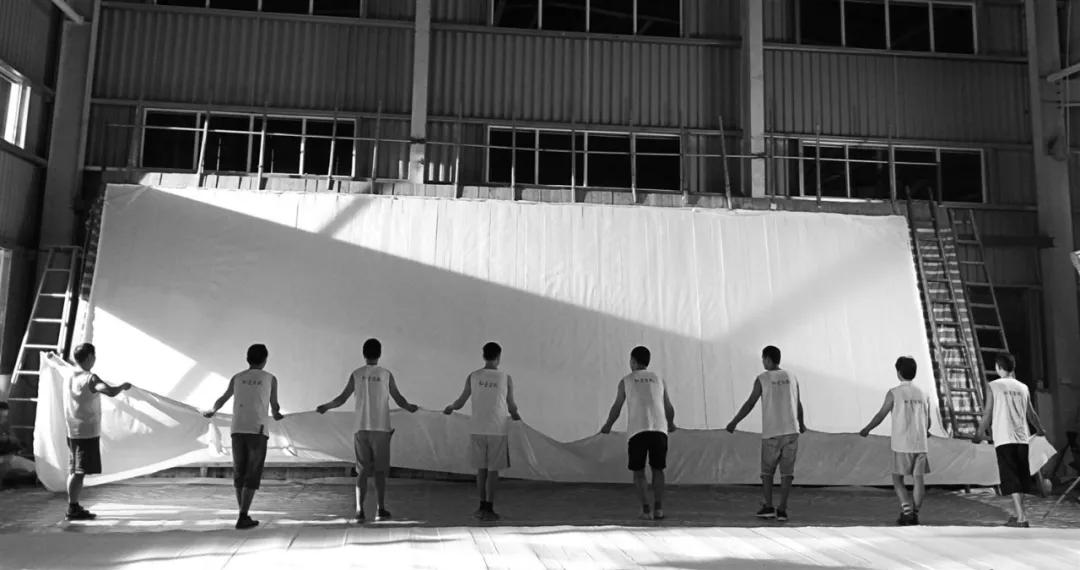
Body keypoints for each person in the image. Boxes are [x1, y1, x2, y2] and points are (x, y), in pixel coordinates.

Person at [316, 338, 419, 523]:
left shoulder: (356, 374)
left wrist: (325, 407)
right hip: (381, 428)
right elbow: (399, 400)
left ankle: (359, 511)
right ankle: (380, 509)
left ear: (364, 354)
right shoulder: (386, 374)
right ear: (380, 354)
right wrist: (411, 408)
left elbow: (341, 399)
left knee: (362, 471)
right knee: (380, 471)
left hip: (361, 428)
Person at [46, 345, 132, 521]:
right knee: (79, 472)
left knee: (75, 469)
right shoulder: (90, 378)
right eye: (94, 356)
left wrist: (52, 358)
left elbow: (58, 364)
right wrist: (122, 386)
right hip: (86, 432)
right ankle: (72, 508)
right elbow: (109, 391)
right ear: (89, 357)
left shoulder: (69, 372)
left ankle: (73, 506)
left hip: (73, 430)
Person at [204, 344, 284, 530]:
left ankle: (243, 513)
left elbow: (223, 398)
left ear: (247, 359)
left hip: (237, 428)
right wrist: (277, 414)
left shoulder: (237, 378)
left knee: (240, 472)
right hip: (257, 429)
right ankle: (242, 515)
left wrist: (213, 410)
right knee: (252, 472)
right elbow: (274, 406)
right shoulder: (270, 378)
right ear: (265, 360)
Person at [725, 345, 806, 522]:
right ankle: (782, 509)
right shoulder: (792, 377)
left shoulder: (763, 378)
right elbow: (798, 403)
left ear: (768, 359)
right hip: (792, 432)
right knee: (787, 473)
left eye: (763, 359)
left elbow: (750, 403)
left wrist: (734, 422)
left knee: (767, 472)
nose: (763, 362)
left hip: (772, 433)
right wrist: (801, 423)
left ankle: (768, 506)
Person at [444, 342, 522, 522]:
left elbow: (461, 401)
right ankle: (489, 507)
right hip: (497, 430)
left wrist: (450, 408)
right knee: (493, 471)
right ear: (499, 357)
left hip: (477, 429)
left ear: (483, 356)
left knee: (481, 470)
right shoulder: (505, 378)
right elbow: (511, 405)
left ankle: (480, 506)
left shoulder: (473, 376)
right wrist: (517, 417)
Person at [600, 346, 677, 520]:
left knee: (639, 471)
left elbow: (617, 407)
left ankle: (646, 510)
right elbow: (668, 407)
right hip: (659, 430)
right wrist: (671, 424)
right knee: (658, 469)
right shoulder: (659, 379)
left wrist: (608, 426)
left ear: (633, 361)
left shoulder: (626, 381)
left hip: (637, 431)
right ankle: (659, 508)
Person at [973, 353, 1046, 528]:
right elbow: (1031, 414)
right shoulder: (1023, 387)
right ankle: (1019, 514)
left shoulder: (994, 386)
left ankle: (1021, 518)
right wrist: (1040, 430)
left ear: (998, 367)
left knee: (1012, 478)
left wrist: (979, 434)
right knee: (1019, 477)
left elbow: (988, 413)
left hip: (1004, 437)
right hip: (1022, 438)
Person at [858, 356, 933, 525]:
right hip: (920, 444)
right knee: (918, 480)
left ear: (898, 372)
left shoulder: (894, 393)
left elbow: (880, 415)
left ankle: (907, 511)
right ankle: (915, 514)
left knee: (897, 479)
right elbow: (928, 422)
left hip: (902, 444)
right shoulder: (923, 393)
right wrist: (924, 431)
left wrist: (867, 429)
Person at [0, 401, 35, 486]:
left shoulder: (5, 425)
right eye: (1, 417)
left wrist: (11, 441)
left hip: (8, 458)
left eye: (5, 416)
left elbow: (15, 441)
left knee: (36, 469)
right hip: (4, 459)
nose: (3, 419)